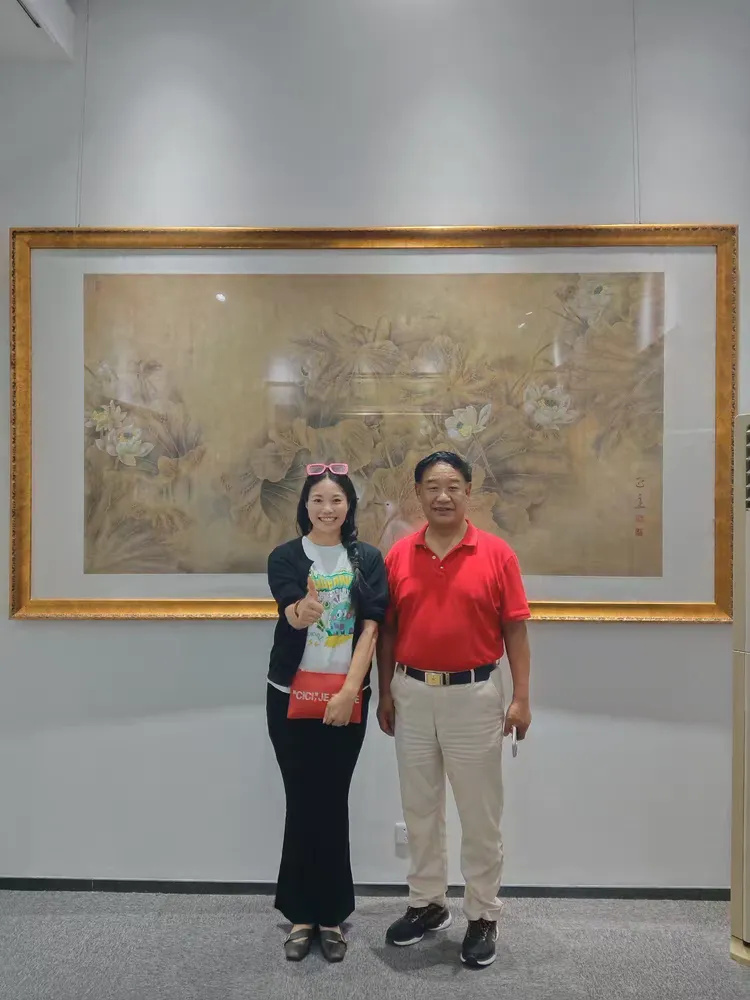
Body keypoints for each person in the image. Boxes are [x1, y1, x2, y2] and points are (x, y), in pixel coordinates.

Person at [376, 451, 532, 969]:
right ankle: (427, 903)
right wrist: (386, 690)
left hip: (475, 696)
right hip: (412, 692)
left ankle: (483, 913)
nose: (442, 496)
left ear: (468, 492)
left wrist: (521, 698)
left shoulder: (497, 554)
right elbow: (389, 631)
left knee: (480, 814)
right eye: (432, 487)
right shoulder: (400, 555)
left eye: (452, 487)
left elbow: (515, 630)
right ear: (418, 494)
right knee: (419, 809)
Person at [266, 462, 388, 964]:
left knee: (332, 801)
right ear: (305, 506)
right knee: (301, 800)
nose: (327, 508)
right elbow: (288, 609)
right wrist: (303, 612)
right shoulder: (285, 556)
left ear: (349, 506)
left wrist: (350, 691)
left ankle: (332, 916)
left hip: (345, 695)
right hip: (289, 694)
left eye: (336, 499)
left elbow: (372, 627)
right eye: (317, 499)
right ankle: (301, 915)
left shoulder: (367, 559)